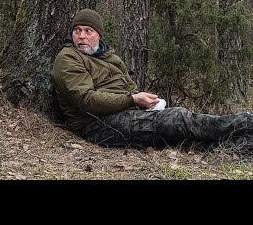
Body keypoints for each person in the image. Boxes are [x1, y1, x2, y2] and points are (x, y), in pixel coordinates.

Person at [51, 9, 253, 154]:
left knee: (181, 137)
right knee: (178, 119)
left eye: (88, 31)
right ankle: (247, 122)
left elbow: (130, 89)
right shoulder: (69, 58)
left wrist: (147, 103)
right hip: (95, 125)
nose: (82, 36)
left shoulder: (109, 57)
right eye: (77, 30)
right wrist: (132, 100)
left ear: (99, 35)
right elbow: (86, 101)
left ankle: (245, 144)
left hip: (122, 115)